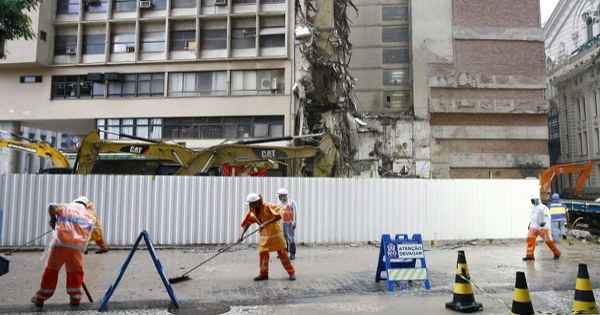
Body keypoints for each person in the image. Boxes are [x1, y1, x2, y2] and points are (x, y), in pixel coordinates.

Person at [31, 198, 96, 308]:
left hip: (60, 244)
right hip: (76, 247)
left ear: (75, 202)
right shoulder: (90, 216)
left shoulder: (66, 207)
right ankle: (75, 297)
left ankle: (40, 298)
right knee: (75, 272)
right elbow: (88, 235)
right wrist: (82, 249)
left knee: (51, 270)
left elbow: (51, 207)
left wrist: (53, 219)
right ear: (85, 205)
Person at [240, 193, 296, 281]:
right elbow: (247, 223)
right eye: (249, 204)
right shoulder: (252, 211)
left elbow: (278, 216)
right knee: (263, 254)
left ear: (256, 202)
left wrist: (265, 223)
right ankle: (263, 274)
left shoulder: (267, 206)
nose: (250, 205)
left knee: (283, 255)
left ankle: (291, 272)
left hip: (276, 234)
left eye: (251, 203)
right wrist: (242, 235)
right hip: (264, 236)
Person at [523, 197, 561, 261]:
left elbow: (547, 216)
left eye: (533, 200)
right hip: (534, 227)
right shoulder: (533, 208)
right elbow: (533, 217)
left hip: (543, 227)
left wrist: (544, 223)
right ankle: (530, 256)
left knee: (548, 241)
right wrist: (530, 224)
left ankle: (557, 253)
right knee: (530, 240)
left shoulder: (543, 207)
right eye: (532, 200)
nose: (532, 201)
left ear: (538, 200)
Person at [277, 188, 297, 260]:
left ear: (284, 195)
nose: (279, 197)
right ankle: (284, 253)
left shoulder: (291, 202)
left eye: (280, 196)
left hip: (290, 223)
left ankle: (292, 254)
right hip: (283, 223)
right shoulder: (280, 204)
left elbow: (294, 212)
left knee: (291, 238)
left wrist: (294, 222)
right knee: (284, 238)